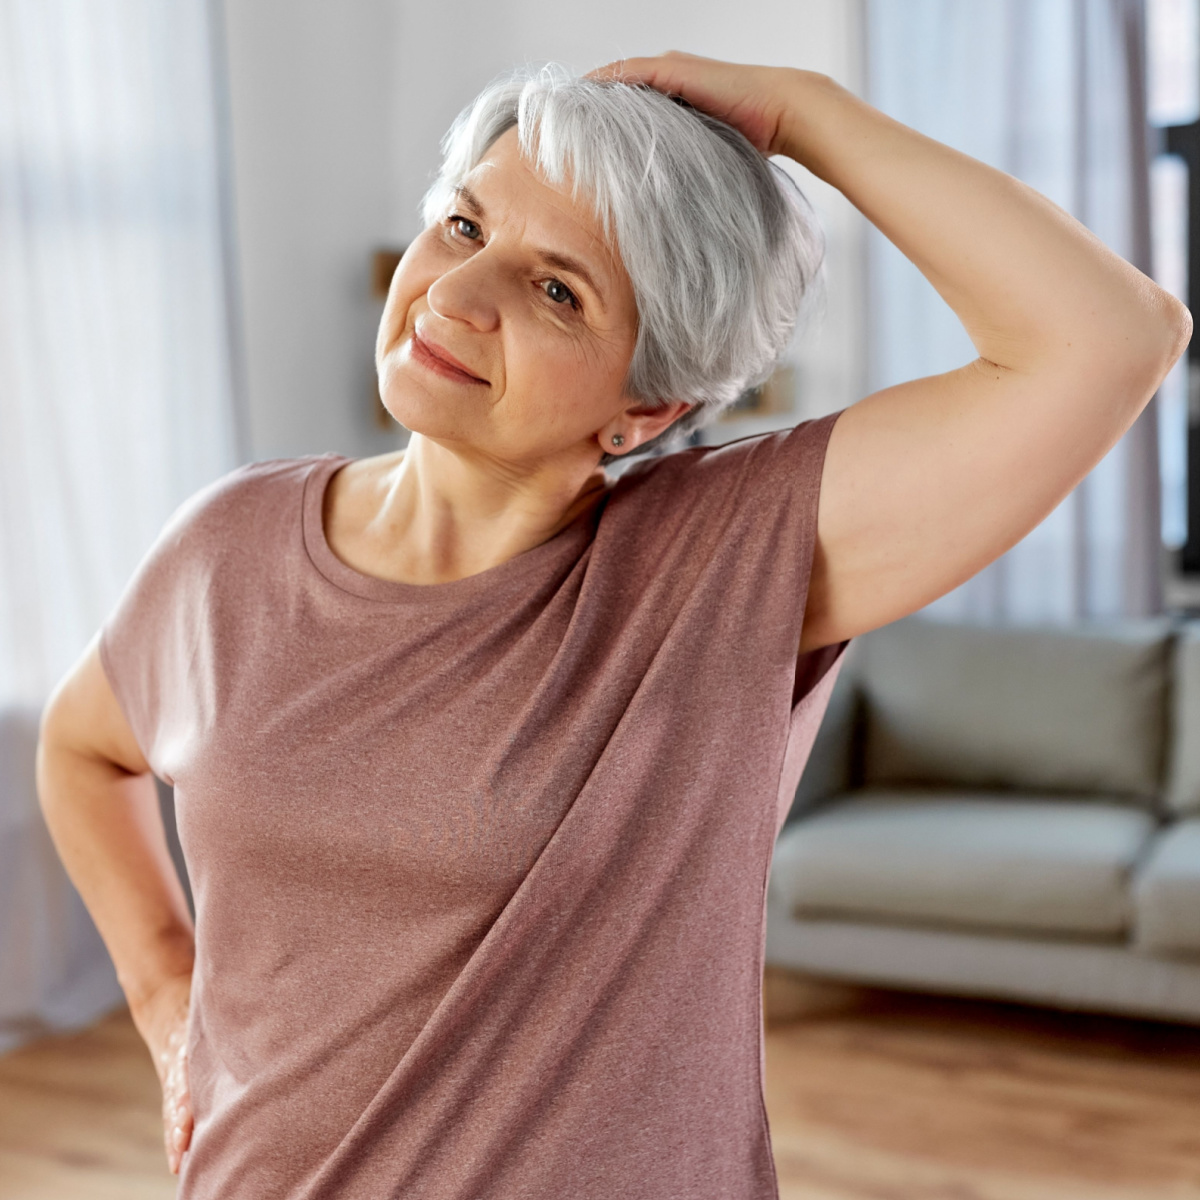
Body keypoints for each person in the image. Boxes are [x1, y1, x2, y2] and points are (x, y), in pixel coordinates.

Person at [36, 53, 1189, 1199]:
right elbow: (84, 749)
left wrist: (808, 115)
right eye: (462, 225)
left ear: (647, 407)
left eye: (556, 291)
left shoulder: (718, 563)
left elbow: (1110, 337)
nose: (454, 294)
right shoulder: (226, 546)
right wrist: (159, 991)